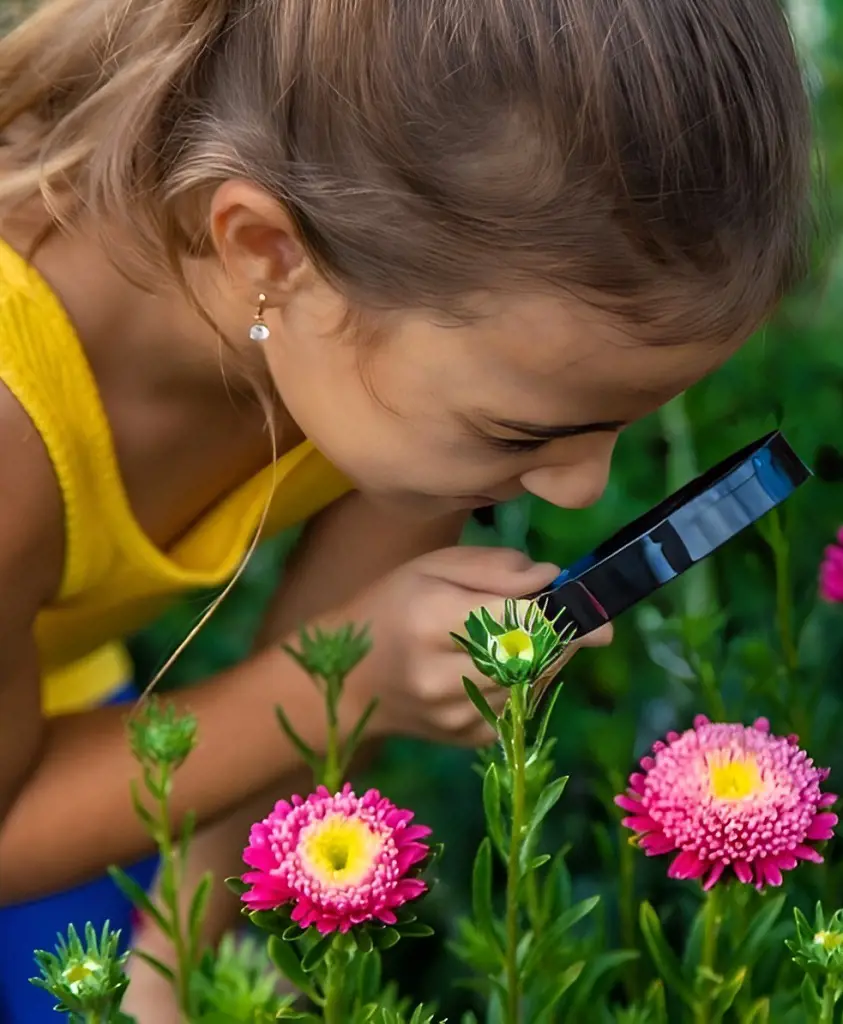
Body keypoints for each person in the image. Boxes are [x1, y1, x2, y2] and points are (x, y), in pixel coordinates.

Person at [0, 0, 813, 1018]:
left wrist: (176, 960)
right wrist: (363, 674)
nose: (583, 488)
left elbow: (296, 694)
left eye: (616, 422)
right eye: (525, 432)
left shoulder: (365, 322)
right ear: (267, 251)